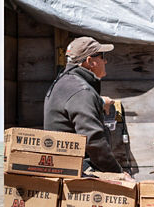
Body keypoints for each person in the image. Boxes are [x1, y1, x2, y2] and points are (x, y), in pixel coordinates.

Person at [43, 36, 125, 174]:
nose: (105, 60)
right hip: (77, 171)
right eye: (102, 56)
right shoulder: (82, 91)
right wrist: (118, 173)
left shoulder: (65, 82)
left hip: (63, 166)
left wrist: (100, 102)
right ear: (90, 61)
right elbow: (93, 142)